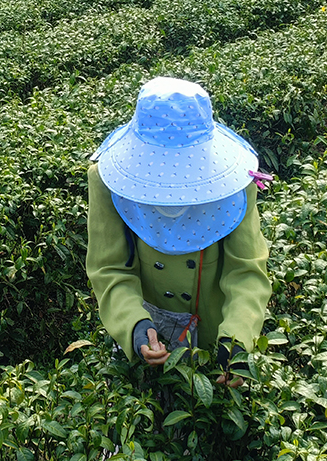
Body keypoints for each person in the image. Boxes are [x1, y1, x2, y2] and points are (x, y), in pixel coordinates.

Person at [86, 77, 271, 386]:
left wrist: (236, 343)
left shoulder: (237, 186)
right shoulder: (106, 181)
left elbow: (246, 270)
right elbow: (109, 268)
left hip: (212, 336)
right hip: (147, 329)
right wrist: (134, 328)